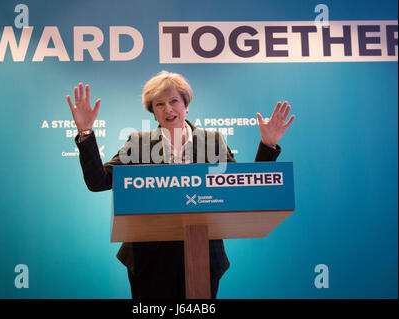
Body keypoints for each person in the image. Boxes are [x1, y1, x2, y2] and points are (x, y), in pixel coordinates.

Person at [66, 70, 294, 299]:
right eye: (159, 104)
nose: (168, 109)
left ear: (186, 105)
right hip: (149, 259)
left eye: (174, 101)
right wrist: (85, 132)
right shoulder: (139, 143)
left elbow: (241, 190)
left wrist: (268, 145)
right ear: (153, 112)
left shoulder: (212, 141)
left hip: (203, 256)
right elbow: (99, 181)